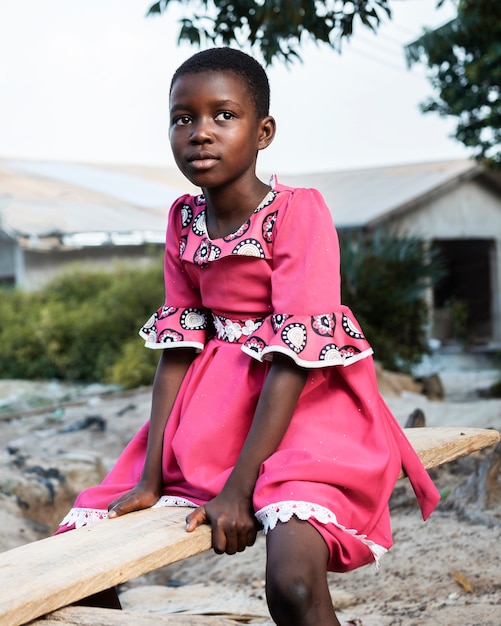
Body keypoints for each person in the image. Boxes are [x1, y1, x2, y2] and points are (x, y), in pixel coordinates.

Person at [57, 47, 440, 625]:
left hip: (305, 410)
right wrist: (151, 476)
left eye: (223, 116)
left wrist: (238, 490)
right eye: (183, 118)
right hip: (211, 419)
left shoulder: (296, 212)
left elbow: (295, 358)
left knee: (291, 586)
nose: (201, 133)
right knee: (79, 557)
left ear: (263, 132)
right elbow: (178, 347)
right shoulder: (183, 218)